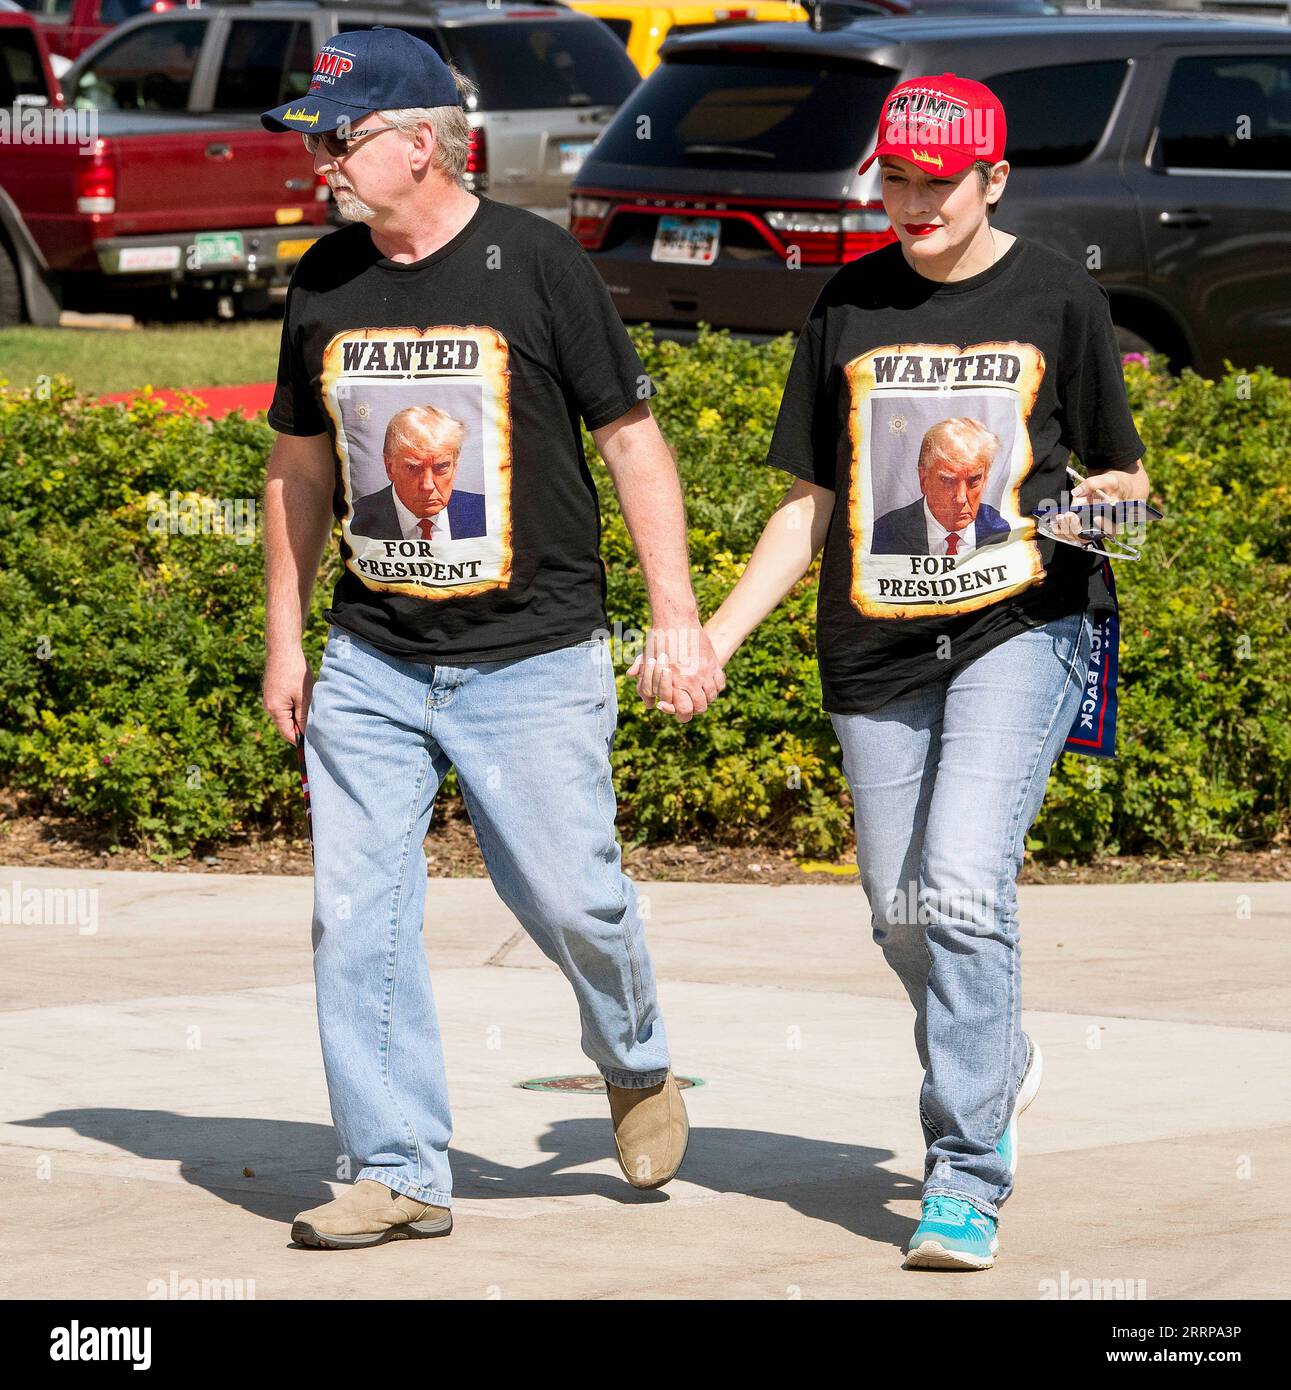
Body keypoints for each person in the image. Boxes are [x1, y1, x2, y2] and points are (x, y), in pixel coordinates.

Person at [675, 73, 1152, 1270]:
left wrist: (1098, 508)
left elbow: (1127, 487)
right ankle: (999, 1057)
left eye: (939, 184)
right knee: (897, 914)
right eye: (897, 180)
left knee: (956, 884)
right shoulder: (848, 303)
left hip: (1025, 627)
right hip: (873, 646)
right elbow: (810, 506)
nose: (915, 203)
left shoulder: (1057, 295)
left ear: (994, 179)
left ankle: (964, 1172)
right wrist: (716, 636)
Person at [259, 27, 722, 1250]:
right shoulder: (324, 281)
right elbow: (299, 470)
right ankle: (396, 1165)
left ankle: (633, 1057)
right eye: (314, 139)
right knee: (356, 912)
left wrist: (674, 613)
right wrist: (287, 637)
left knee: (572, 900)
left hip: (531, 656)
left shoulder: (536, 264)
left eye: (339, 138)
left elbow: (632, 444)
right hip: (371, 656)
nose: (322, 161)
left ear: (422, 143)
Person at [349, 404, 487, 543]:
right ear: (390, 468)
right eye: (413, 468)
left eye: (441, 467)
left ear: (455, 466)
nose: (427, 486)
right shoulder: (357, 518)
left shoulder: (485, 512)